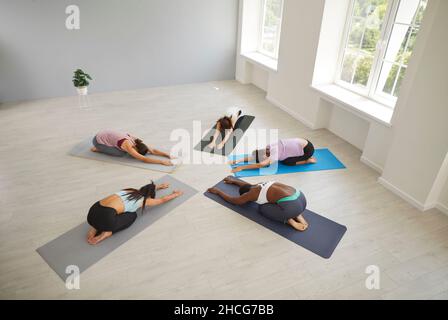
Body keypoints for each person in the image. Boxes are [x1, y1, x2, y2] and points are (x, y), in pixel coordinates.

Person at [87, 181, 183, 245]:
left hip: (92, 212)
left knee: (114, 210)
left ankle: (94, 227)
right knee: (132, 215)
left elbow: (144, 190)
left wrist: (158, 187)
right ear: (149, 196)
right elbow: (162, 200)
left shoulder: (129, 190)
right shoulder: (143, 200)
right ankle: (106, 232)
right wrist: (175, 194)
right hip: (106, 219)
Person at [208, 176, 308, 231]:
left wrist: (218, 191)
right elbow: (248, 185)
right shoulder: (259, 185)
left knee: (262, 208)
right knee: (279, 199)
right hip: (302, 198)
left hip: (291, 207)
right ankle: (298, 214)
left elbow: (234, 200)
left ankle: (291, 220)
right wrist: (234, 181)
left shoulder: (251, 194)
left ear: (246, 194)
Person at [91, 129, 178, 166]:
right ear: (135, 148)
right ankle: (98, 148)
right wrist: (162, 162)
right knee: (120, 153)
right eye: (135, 152)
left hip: (106, 134)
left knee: (123, 151)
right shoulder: (128, 146)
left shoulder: (137, 141)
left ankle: (106, 145)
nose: (134, 154)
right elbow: (144, 159)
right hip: (98, 140)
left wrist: (168, 155)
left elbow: (153, 150)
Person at [230, 138, 316, 173]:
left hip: (308, 150)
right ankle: (302, 156)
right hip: (304, 141)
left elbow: (260, 165)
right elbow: (254, 157)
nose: (263, 160)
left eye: (262, 158)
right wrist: (238, 161)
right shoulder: (269, 146)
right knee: (283, 157)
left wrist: (241, 168)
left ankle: (307, 160)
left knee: (286, 162)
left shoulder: (275, 154)